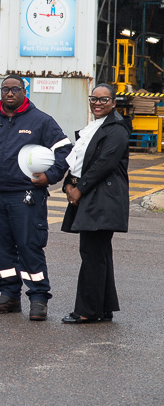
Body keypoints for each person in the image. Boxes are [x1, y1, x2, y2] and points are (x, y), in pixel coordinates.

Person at [0, 74, 72, 321]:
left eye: (15, 89)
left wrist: (50, 176)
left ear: (25, 92)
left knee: (29, 245)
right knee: (0, 248)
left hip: (26, 196)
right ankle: (9, 296)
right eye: (5, 89)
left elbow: (64, 150)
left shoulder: (41, 121)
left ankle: (38, 298)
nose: (10, 93)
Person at [60, 84, 130, 324]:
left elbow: (104, 164)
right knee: (99, 254)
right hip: (92, 195)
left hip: (103, 199)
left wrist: (79, 189)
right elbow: (78, 160)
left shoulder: (117, 129)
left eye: (103, 99)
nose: (97, 103)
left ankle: (88, 311)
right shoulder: (95, 127)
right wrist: (68, 184)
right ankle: (104, 307)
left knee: (92, 253)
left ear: (113, 103)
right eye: (94, 99)